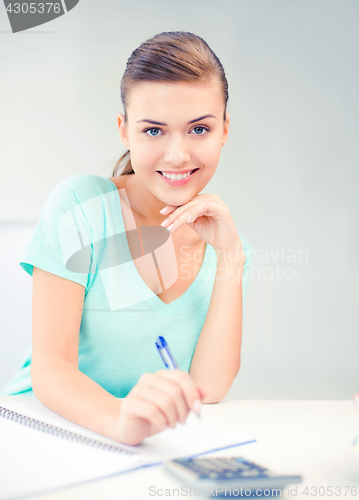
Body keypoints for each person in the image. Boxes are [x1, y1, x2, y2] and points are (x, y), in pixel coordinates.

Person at [1, 31, 252, 446]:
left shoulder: (224, 242)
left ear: (224, 130)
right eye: (154, 131)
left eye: (199, 130)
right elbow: (51, 368)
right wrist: (121, 421)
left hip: (137, 445)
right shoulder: (79, 207)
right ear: (125, 130)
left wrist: (231, 256)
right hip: (40, 431)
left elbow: (209, 387)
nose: (177, 155)